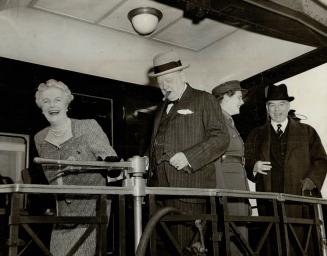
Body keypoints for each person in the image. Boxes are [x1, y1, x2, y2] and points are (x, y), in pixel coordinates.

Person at [148, 50, 229, 254]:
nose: (166, 86)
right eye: (161, 83)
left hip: (189, 192)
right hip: (159, 193)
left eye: (169, 80)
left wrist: (189, 157)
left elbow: (221, 138)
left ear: (183, 76)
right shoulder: (160, 109)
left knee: (186, 250)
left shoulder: (204, 99)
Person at [34, 79, 117, 256]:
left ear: (66, 104)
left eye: (57, 100)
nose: (52, 105)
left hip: (91, 209)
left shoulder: (87, 126)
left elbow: (110, 158)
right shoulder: (39, 138)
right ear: (41, 108)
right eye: (46, 101)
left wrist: (112, 165)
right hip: (62, 212)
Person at [244, 83, 327, 255]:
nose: (277, 109)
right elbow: (246, 161)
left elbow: (321, 160)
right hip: (269, 200)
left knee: (302, 243)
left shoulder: (307, 132)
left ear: (288, 106)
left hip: (299, 198)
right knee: (272, 243)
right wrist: (253, 166)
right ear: (267, 108)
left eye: (281, 104)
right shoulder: (255, 134)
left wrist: (310, 182)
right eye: (272, 105)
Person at [211, 80, 251, 255]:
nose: (242, 102)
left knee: (239, 238)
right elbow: (215, 160)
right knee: (235, 239)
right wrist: (222, 192)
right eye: (239, 97)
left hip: (237, 188)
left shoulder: (228, 122)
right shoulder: (218, 123)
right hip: (229, 189)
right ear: (226, 97)